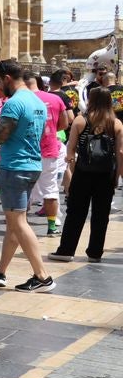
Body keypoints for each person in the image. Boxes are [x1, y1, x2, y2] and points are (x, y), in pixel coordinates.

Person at [0, 59, 54, 292]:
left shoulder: (13, 104)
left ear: (7, 78)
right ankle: (0, 271)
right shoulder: (36, 101)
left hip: (15, 167)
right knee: (14, 223)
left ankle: (42, 276)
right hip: (32, 165)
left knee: (19, 222)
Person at [51, 87, 122, 263]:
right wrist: (117, 176)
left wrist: (75, 171)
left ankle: (66, 250)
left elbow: (71, 150)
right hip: (106, 174)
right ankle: (95, 252)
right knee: (101, 214)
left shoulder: (81, 121)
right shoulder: (116, 124)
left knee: (75, 212)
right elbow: (120, 152)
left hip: (83, 172)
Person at [24, 71, 72, 238]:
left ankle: (22, 224)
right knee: (50, 188)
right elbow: (65, 123)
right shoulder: (56, 98)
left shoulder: (20, 100)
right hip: (50, 149)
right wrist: (49, 132)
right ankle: (52, 226)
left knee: (24, 189)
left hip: (27, 151)